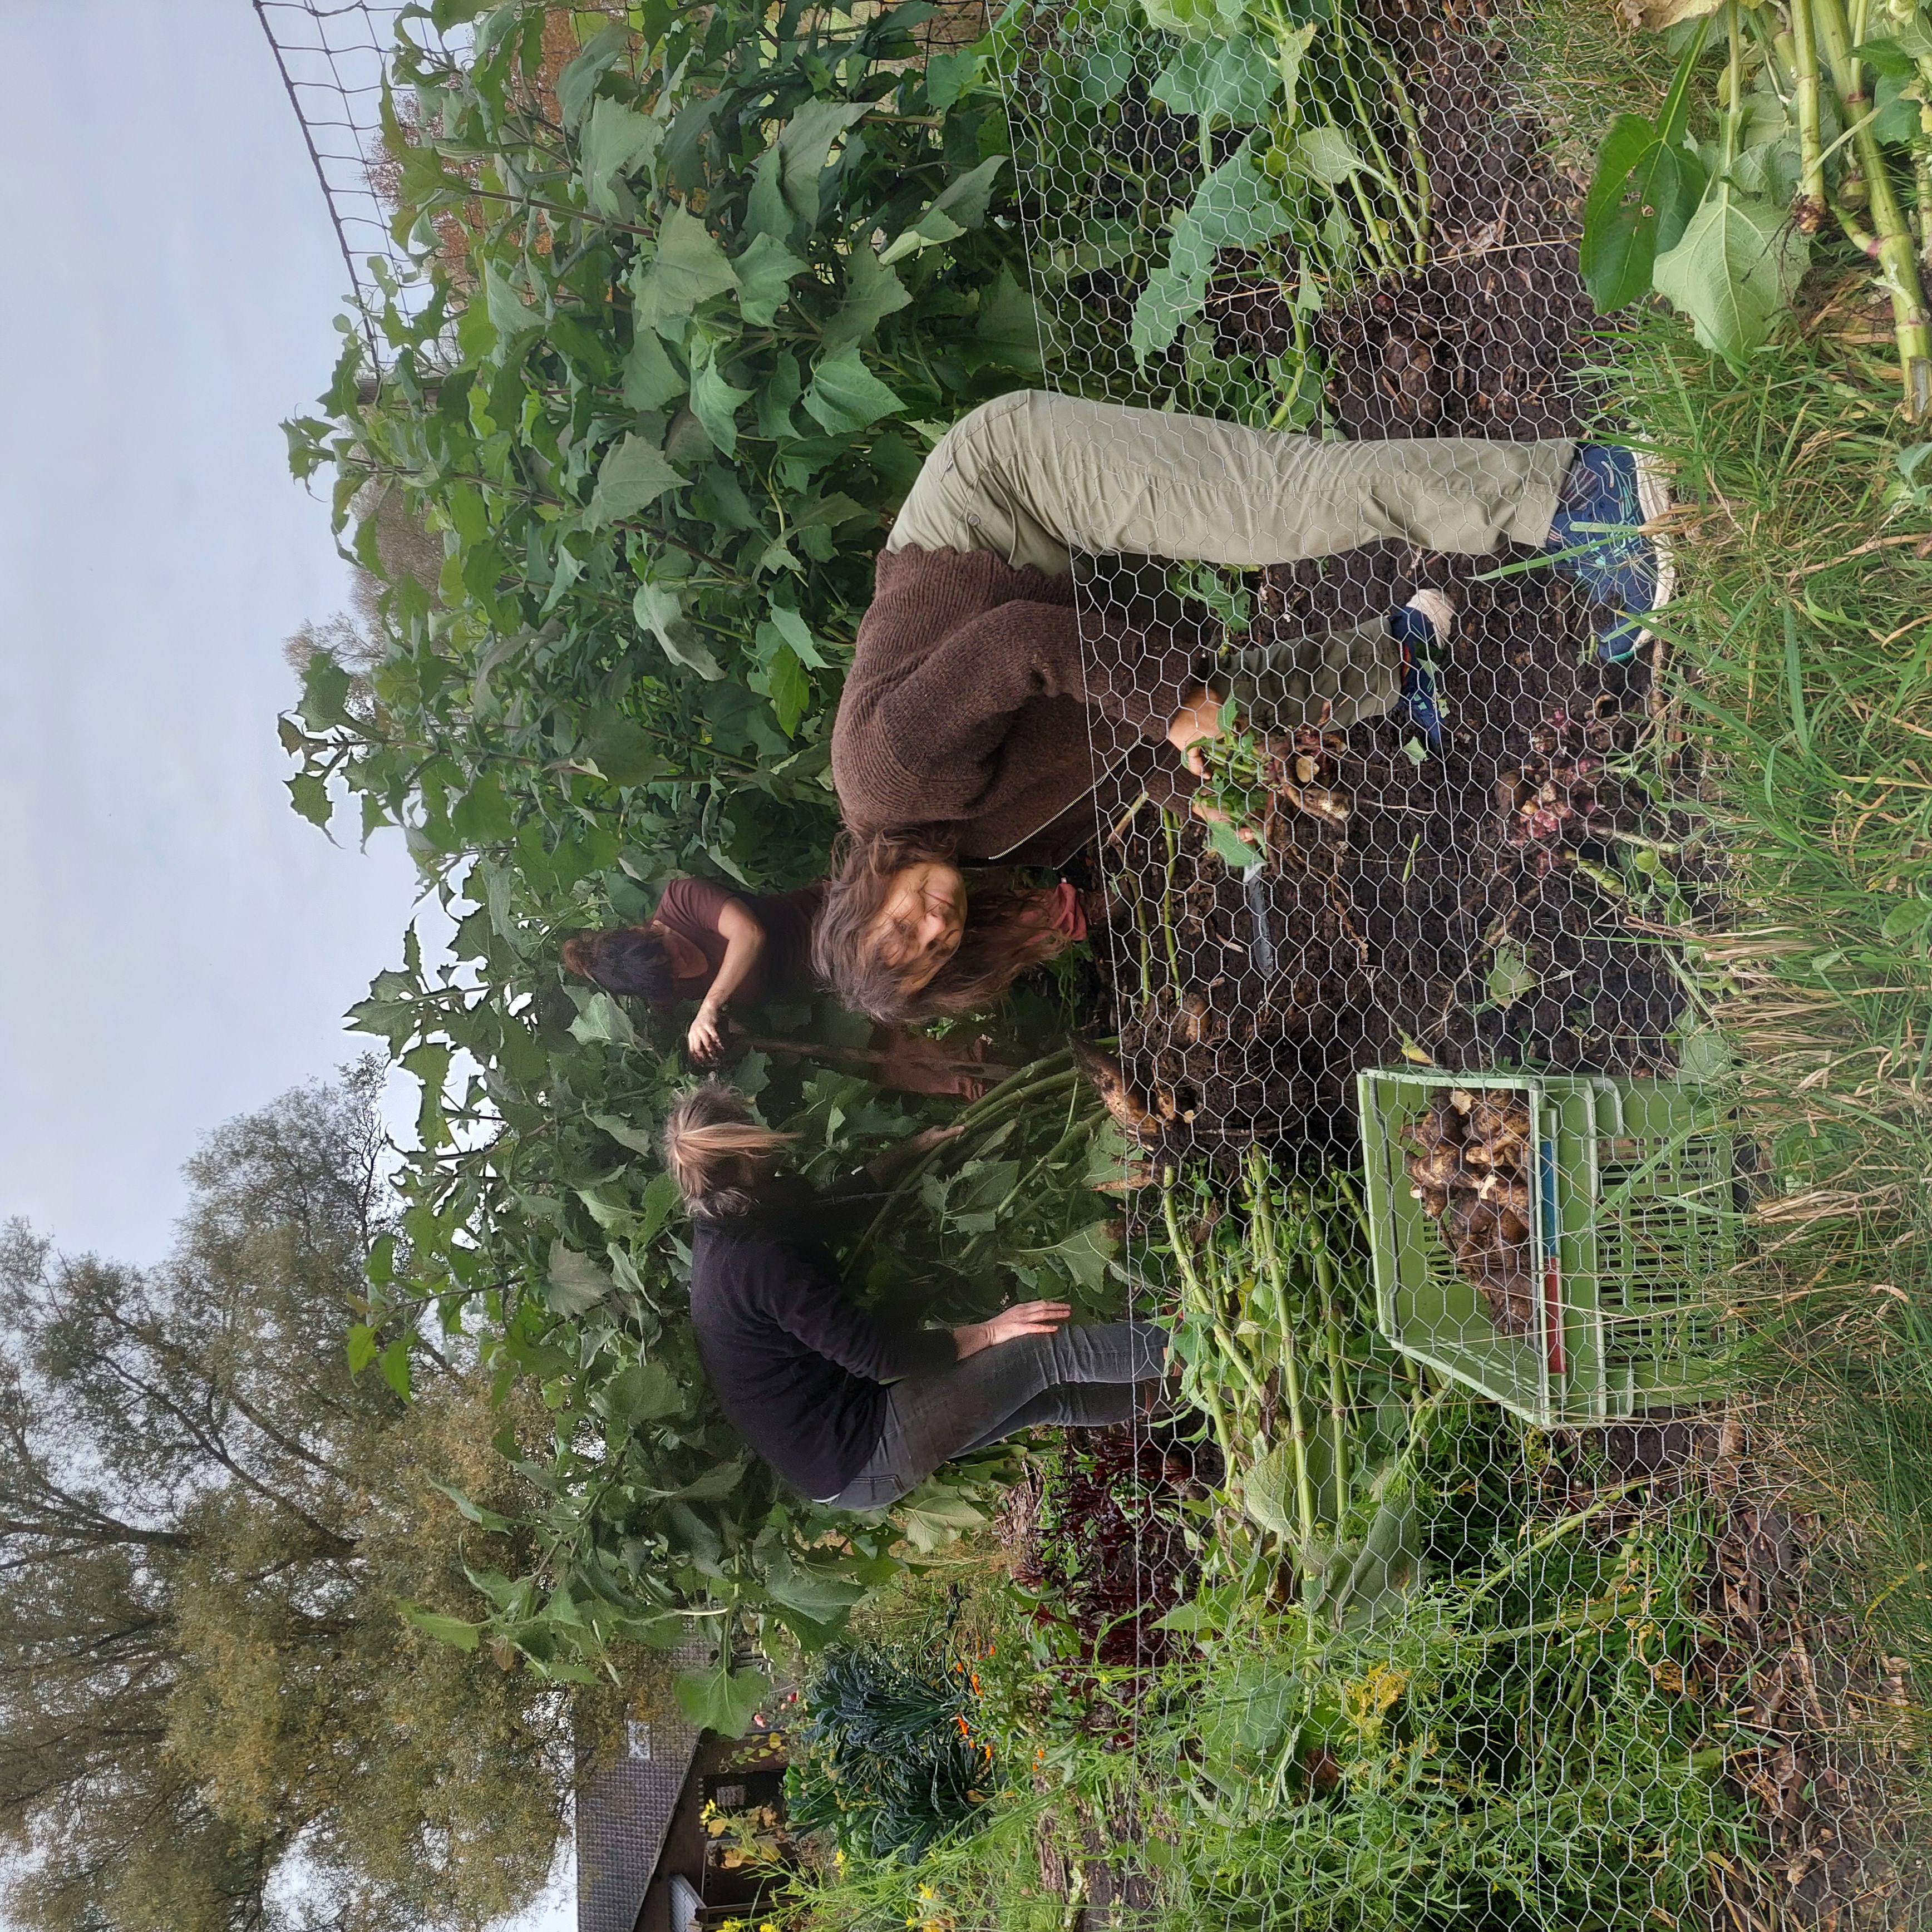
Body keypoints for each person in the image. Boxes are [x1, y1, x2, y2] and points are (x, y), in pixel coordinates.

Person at [817, 391, 1673, 1021]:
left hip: (1004, 492)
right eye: (935, 952)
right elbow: (1091, 750)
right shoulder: (967, 852)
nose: (935, 924)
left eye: (903, 924)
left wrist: (1174, 704)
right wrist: (1197, 786)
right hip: (1040, 573)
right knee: (1224, 705)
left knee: (1282, 503)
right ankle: (1405, 649)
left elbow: (1013, 647)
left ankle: (1588, 492)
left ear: (869, 889)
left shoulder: (884, 777)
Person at [666, 1082, 1169, 1510]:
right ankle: (1203, 1344)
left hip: (843, 1467)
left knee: (1049, 1399)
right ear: (749, 1147)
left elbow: (830, 1208)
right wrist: (992, 1330)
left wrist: (915, 1150)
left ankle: (1189, 1392)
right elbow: (877, 1355)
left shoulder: (737, 1214)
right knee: (1041, 1350)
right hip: (860, 1451)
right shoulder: (754, 1260)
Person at [563, 875, 821, 1064]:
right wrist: (703, 1046)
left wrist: (709, 1007)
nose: (680, 963)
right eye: (671, 972)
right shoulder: (662, 987)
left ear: (642, 931)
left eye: (667, 953)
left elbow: (749, 933)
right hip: (823, 985)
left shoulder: (683, 900)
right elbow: (671, 1031)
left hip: (829, 921)